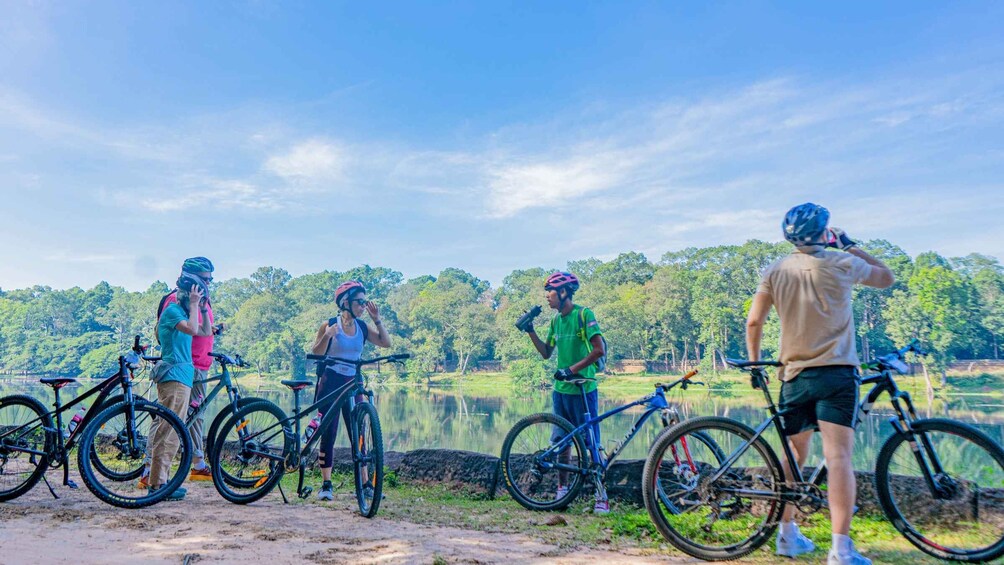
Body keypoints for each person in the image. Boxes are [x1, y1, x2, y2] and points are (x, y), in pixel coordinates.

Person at [746, 203, 894, 565]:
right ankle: (841, 550)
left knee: (794, 454)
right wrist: (849, 243)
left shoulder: (774, 270)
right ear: (824, 233)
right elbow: (886, 277)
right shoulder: (842, 262)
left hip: (793, 375)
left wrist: (754, 364)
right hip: (836, 373)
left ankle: (787, 536)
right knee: (838, 456)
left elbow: (754, 322)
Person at [522, 271, 608, 514]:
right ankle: (562, 490)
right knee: (561, 442)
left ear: (563, 292)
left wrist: (571, 370)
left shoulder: (584, 314)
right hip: (561, 391)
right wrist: (530, 331)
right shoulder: (555, 321)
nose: (547, 297)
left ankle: (601, 495)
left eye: (550, 292)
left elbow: (598, 350)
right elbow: (546, 352)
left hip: (583, 390)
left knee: (592, 443)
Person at [138, 257, 221, 488]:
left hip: (191, 369)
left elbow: (202, 331)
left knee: (184, 423)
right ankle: (153, 478)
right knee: (168, 426)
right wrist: (195, 304)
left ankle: (187, 468)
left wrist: (202, 306)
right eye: (205, 280)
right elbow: (191, 329)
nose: (208, 284)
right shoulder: (175, 303)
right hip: (179, 370)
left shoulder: (193, 303)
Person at [308, 280, 391, 501]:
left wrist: (377, 319)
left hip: (354, 381)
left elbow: (386, 343)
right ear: (345, 302)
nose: (364, 306)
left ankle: (364, 485)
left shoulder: (362, 327)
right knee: (329, 432)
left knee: (360, 432)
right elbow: (316, 354)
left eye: (365, 302)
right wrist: (327, 336)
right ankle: (326, 484)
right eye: (360, 302)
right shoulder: (329, 324)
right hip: (331, 382)